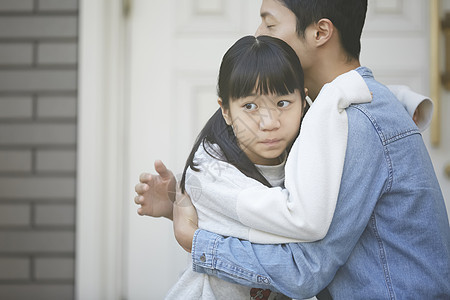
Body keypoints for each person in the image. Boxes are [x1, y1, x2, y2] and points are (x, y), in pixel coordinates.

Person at [136, 0, 450, 299]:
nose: (258, 33)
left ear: (320, 33)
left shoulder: (356, 123)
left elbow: (304, 271)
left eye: (269, 23)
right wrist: (198, 203)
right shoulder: (331, 113)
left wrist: (195, 240)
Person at [160, 34, 373, 299]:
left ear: (304, 103)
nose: (269, 122)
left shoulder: (301, 156)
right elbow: (305, 223)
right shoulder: (208, 173)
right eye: (249, 106)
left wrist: (401, 103)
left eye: (283, 103)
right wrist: (335, 96)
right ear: (225, 110)